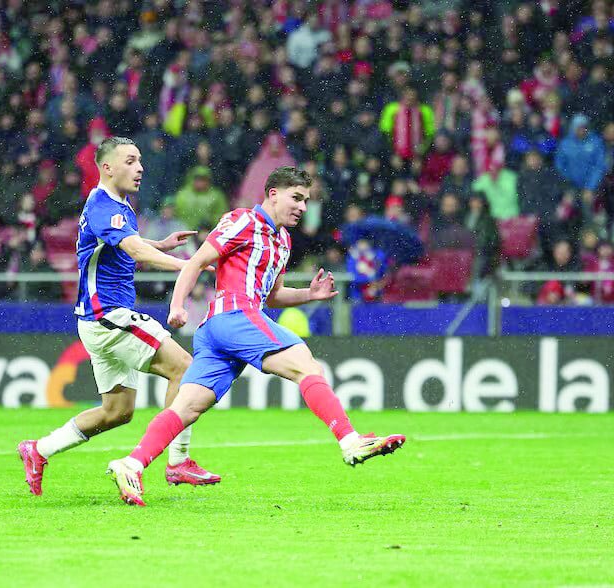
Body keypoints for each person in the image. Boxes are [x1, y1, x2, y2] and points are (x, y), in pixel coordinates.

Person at [107, 167, 405, 506]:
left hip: (223, 329)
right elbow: (196, 262)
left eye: (306, 201)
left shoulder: (283, 241)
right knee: (305, 364)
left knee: (188, 406)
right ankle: (350, 440)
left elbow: (272, 296)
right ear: (273, 194)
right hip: (234, 315)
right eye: (296, 198)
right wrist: (177, 306)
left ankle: (130, 464)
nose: (302, 207)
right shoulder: (242, 220)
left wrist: (310, 294)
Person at [18, 136, 219, 496]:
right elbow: (132, 247)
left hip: (96, 321)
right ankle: (177, 462)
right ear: (107, 167)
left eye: (140, 160)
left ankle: (38, 450)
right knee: (186, 369)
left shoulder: (116, 207)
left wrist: (159, 245)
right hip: (109, 316)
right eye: (130, 161)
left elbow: (124, 247)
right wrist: (189, 265)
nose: (140, 167)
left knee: (117, 411)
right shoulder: (103, 206)